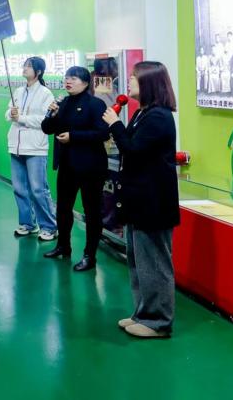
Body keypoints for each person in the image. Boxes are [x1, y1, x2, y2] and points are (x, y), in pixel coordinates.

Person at [102, 61, 179, 339]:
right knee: (138, 262)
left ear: (149, 83)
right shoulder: (142, 113)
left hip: (153, 203)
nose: (129, 81)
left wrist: (115, 124)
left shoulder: (158, 117)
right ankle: (143, 313)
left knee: (155, 263)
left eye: (134, 77)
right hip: (138, 201)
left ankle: (158, 321)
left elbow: (132, 149)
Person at [40, 66, 109, 272]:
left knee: (91, 211)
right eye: (66, 78)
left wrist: (73, 136)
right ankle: (63, 245)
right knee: (63, 208)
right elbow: (46, 128)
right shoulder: (62, 103)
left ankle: (90, 255)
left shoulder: (96, 104)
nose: (68, 81)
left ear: (85, 83)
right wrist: (52, 114)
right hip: (67, 165)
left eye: (73, 78)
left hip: (91, 167)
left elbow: (103, 133)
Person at [5, 57, 58, 241]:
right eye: (24, 65)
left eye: (29, 66)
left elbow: (44, 120)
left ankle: (49, 227)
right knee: (19, 188)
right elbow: (8, 113)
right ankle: (28, 224)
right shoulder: (18, 91)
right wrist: (11, 113)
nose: (25, 68)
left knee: (38, 189)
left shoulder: (45, 93)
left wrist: (21, 118)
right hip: (16, 145)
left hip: (35, 147)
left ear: (39, 72)